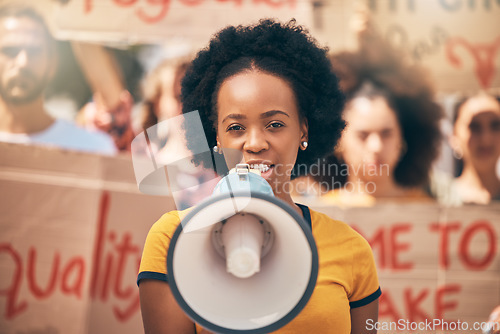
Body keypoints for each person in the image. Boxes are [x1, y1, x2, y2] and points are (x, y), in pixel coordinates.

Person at [137, 19, 381, 333]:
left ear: (304, 129)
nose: (254, 143)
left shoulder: (351, 249)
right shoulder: (172, 239)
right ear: (217, 139)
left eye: (275, 124)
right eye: (236, 127)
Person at [303, 8, 443, 207]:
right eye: (363, 135)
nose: (376, 147)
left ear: (403, 138)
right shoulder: (320, 217)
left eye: (386, 133)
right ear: (339, 142)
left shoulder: (429, 209)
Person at [0, 5, 116, 155]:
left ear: (53, 63)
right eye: (10, 51)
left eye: (34, 51)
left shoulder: (93, 149)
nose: (23, 62)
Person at [448, 92, 500, 204]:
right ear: (454, 137)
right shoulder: (436, 197)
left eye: (495, 126)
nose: (485, 139)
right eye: (474, 127)